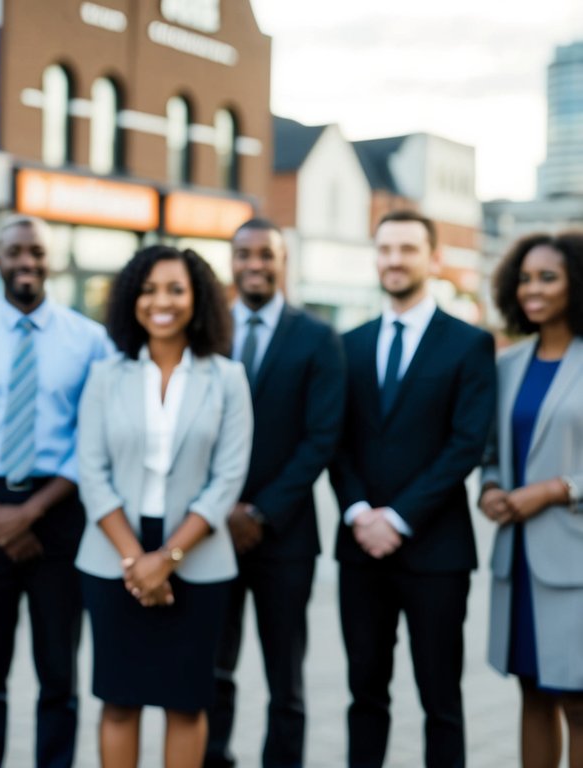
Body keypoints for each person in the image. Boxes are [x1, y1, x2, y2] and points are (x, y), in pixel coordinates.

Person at [0, 214, 113, 768]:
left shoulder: (91, 341)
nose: (27, 262)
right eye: (16, 252)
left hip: (58, 517)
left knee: (59, 676)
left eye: (37, 251)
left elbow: (94, 437)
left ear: (51, 260)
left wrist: (30, 513)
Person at [330, 209, 496, 768]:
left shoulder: (469, 345)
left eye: (407, 249)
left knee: (440, 699)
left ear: (433, 258)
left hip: (436, 551)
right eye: (385, 249)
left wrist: (397, 518)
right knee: (364, 695)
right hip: (360, 552)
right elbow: (336, 441)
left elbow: (466, 444)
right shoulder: (348, 345)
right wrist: (358, 511)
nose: (395, 260)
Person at [75, 245, 251, 768]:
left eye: (176, 289)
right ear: (132, 298)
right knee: (120, 701)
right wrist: (137, 561)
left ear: (198, 299)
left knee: (186, 703)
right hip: (114, 558)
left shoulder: (227, 379)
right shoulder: (107, 376)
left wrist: (166, 558)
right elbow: (92, 472)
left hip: (197, 558)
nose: (162, 301)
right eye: (149, 289)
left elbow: (226, 480)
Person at [205, 219, 346, 768]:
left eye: (266, 254)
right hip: (210, 532)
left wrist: (260, 512)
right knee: (213, 669)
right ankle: (213, 757)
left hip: (285, 537)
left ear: (284, 260)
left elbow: (321, 438)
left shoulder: (316, 337)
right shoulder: (207, 332)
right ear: (232, 260)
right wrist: (220, 510)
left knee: (285, 678)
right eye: (244, 254)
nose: (254, 264)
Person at [480, 232, 583, 768]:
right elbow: (493, 453)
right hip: (518, 558)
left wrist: (552, 490)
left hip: (575, 561)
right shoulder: (508, 365)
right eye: (524, 278)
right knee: (533, 694)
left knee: (577, 699)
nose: (532, 289)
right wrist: (491, 489)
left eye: (548, 277)